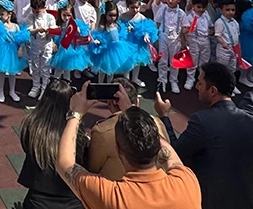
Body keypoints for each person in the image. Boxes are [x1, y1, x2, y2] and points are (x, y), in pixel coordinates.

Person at [56, 82, 201, 209]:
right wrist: (131, 111)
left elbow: (65, 164)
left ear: (118, 149)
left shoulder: (111, 196)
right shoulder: (186, 181)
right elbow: (168, 151)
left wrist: (75, 114)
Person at [155, 62, 253, 209]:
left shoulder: (202, 120)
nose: (196, 87)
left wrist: (164, 116)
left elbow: (175, 152)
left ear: (213, 91)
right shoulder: (249, 120)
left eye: (200, 83)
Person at [18, 78, 87, 209]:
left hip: (38, 197)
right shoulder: (75, 128)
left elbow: (26, 146)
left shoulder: (32, 123)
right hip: (71, 196)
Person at [88, 77, 169, 181]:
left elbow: (93, 168)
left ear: (110, 103)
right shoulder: (157, 123)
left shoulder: (101, 131)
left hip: (116, 187)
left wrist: (76, 114)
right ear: (137, 101)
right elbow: (168, 154)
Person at [0, 0, 30, 103]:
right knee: (2, 72)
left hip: (12, 51)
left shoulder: (15, 26)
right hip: (2, 50)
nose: (0, 16)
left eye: (2, 14)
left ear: (9, 14)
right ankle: (0, 91)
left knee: (13, 72)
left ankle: (12, 91)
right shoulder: (0, 25)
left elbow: (20, 38)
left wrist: (20, 48)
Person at [90, 2, 136, 84]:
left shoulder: (117, 25)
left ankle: (109, 85)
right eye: (110, 15)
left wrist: (128, 30)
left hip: (117, 49)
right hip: (106, 50)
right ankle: (100, 84)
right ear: (105, 14)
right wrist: (97, 41)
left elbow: (120, 34)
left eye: (114, 15)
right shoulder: (102, 26)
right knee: (102, 70)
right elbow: (98, 36)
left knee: (111, 70)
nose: (112, 18)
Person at [120, 0, 158, 88]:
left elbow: (147, 28)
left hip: (138, 43)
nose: (135, 10)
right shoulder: (123, 16)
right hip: (127, 42)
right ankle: (126, 79)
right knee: (127, 61)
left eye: (137, 7)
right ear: (127, 6)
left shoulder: (141, 17)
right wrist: (125, 29)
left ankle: (135, 78)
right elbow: (118, 28)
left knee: (137, 61)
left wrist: (146, 35)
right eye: (132, 7)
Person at [154, 0, 188, 94]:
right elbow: (157, 22)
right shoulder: (163, 9)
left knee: (174, 61)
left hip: (175, 40)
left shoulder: (181, 13)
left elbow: (185, 27)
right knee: (163, 60)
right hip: (163, 37)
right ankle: (162, 80)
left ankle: (173, 81)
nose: (170, 1)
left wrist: (186, 32)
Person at [50, 1, 91, 82]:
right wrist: (53, 43)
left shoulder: (74, 23)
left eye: (69, 15)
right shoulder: (58, 23)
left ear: (72, 14)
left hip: (69, 47)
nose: (66, 17)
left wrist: (77, 31)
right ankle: (55, 82)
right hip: (60, 46)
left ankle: (66, 83)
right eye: (64, 15)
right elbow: (54, 34)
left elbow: (79, 35)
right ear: (60, 14)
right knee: (58, 68)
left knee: (67, 68)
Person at [27, 0, 57, 98]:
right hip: (35, 45)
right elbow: (29, 30)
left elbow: (54, 31)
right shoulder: (30, 17)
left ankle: (44, 88)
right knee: (35, 67)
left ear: (44, 8)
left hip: (46, 45)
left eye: (38, 11)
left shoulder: (50, 18)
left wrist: (49, 32)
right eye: (34, 11)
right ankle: (36, 86)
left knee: (45, 67)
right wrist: (37, 30)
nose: (35, 13)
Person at [183, 0, 213, 91]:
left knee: (204, 61)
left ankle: (201, 79)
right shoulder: (189, 16)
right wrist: (186, 37)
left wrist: (211, 31)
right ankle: (190, 79)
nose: (201, 9)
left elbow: (210, 26)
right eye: (199, 7)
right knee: (193, 60)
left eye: (204, 7)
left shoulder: (206, 15)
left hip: (205, 40)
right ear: (193, 5)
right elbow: (184, 30)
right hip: (194, 40)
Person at [213, 0, 242, 94]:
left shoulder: (235, 22)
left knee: (232, 68)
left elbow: (237, 35)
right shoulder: (219, 22)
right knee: (223, 69)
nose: (230, 12)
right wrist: (224, 44)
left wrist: (238, 48)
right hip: (224, 49)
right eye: (227, 10)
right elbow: (217, 35)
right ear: (221, 10)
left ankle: (231, 85)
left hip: (234, 49)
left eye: (233, 10)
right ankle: (223, 87)